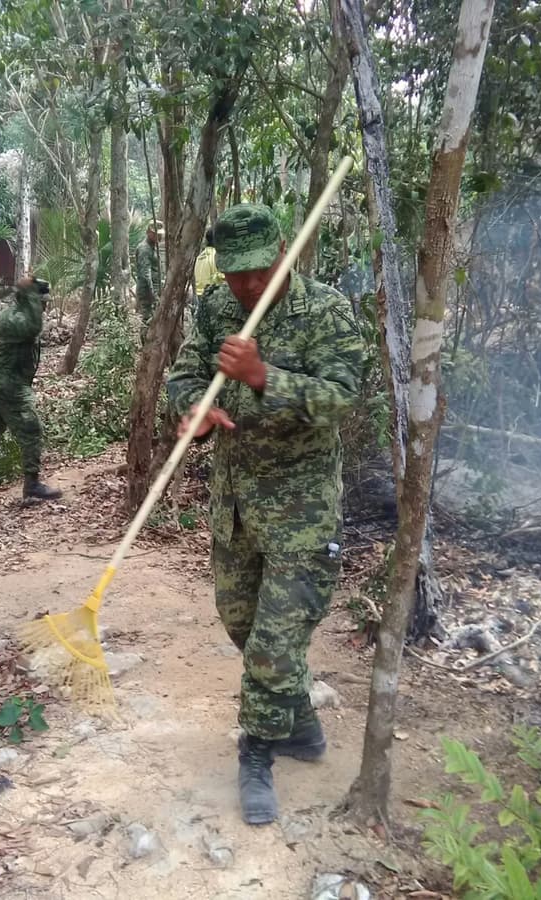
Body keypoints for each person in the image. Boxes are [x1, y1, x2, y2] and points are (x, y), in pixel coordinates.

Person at [166, 204, 366, 826]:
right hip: (235, 504)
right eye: (236, 274)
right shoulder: (216, 310)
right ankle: (301, 724)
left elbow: (342, 399)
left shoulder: (327, 310)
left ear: (284, 251)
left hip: (302, 512)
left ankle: (256, 753)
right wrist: (192, 411)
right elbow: (186, 372)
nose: (248, 286)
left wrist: (261, 377)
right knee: (242, 626)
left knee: (275, 647)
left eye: (258, 271)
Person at [0, 275, 62, 501]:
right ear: (30, 299)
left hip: (2, 381)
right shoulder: (13, 318)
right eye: (42, 302)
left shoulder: (20, 313)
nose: (44, 306)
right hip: (7, 383)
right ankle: (32, 486)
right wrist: (32, 294)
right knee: (31, 428)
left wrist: (31, 292)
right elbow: (33, 328)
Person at [134, 221, 162, 326]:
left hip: (154, 290)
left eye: (160, 234)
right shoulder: (144, 249)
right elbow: (146, 274)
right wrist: (153, 294)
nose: (158, 236)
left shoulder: (153, 247)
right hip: (147, 292)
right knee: (148, 320)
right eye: (155, 234)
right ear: (148, 233)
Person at [193, 227, 224, 296]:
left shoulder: (200, 256)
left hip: (199, 296)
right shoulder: (218, 256)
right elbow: (223, 277)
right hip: (212, 296)